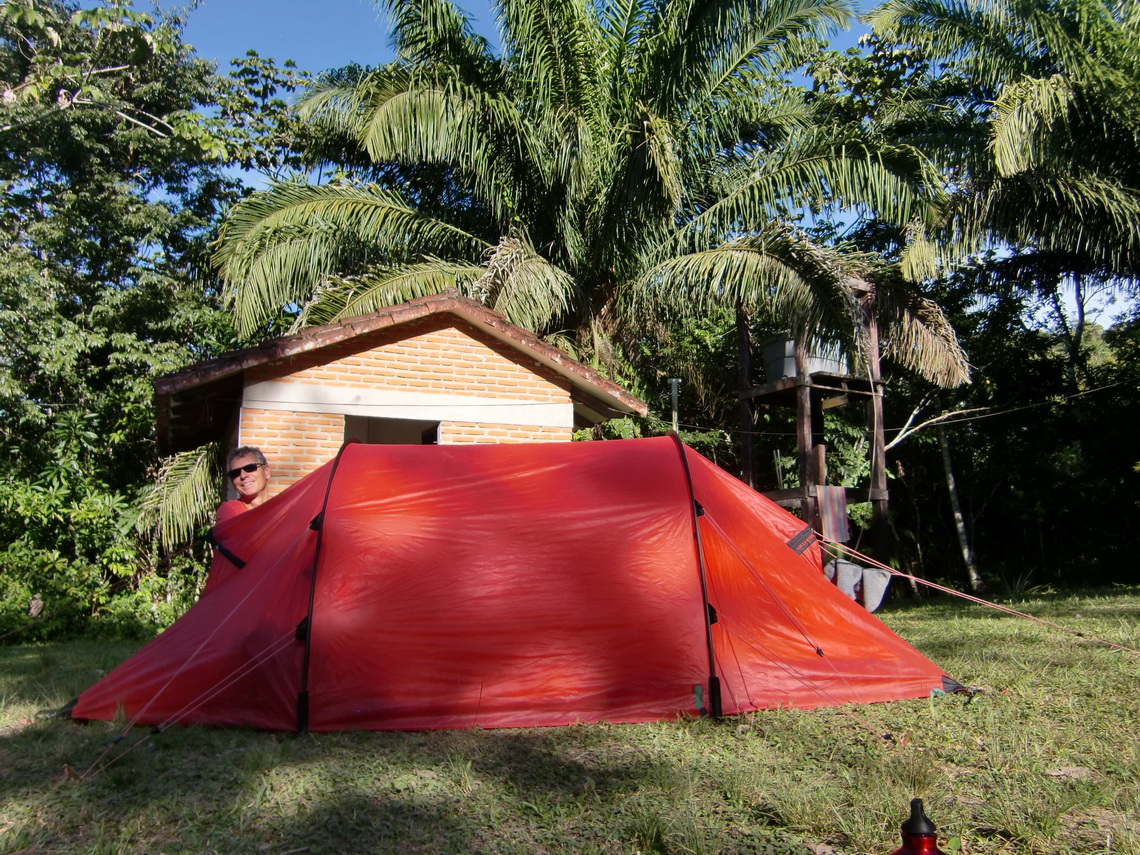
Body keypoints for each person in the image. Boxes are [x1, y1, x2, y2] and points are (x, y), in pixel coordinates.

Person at [216, 446, 272, 524]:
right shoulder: (229, 511)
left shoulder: (283, 508)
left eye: (250, 468)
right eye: (235, 473)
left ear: (266, 471)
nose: (243, 476)